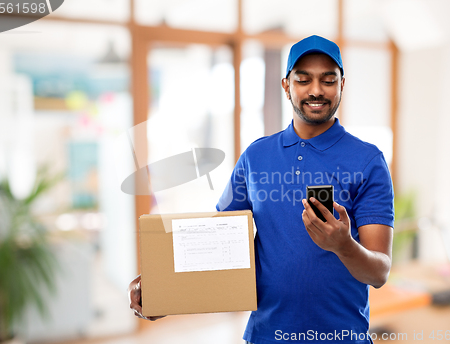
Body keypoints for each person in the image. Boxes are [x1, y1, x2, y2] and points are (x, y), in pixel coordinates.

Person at [129, 35, 394, 344]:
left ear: (342, 84)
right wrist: (166, 291)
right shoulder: (256, 156)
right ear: (286, 85)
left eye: (328, 80)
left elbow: (379, 273)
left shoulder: (367, 160)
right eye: (303, 79)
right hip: (266, 336)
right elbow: (218, 243)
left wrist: (343, 245)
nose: (316, 90)